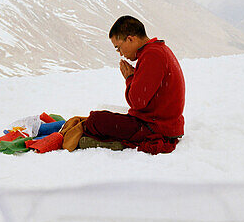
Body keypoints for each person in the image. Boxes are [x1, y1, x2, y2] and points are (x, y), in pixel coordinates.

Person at [61, 15, 185, 154]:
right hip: (164, 124)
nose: (120, 54)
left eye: (118, 48)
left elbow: (137, 102)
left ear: (130, 39)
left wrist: (130, 78)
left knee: (95, 120)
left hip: (155, 127)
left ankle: (106, 143)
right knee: (101, 115)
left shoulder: (152, 55)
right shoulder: (157, 50)